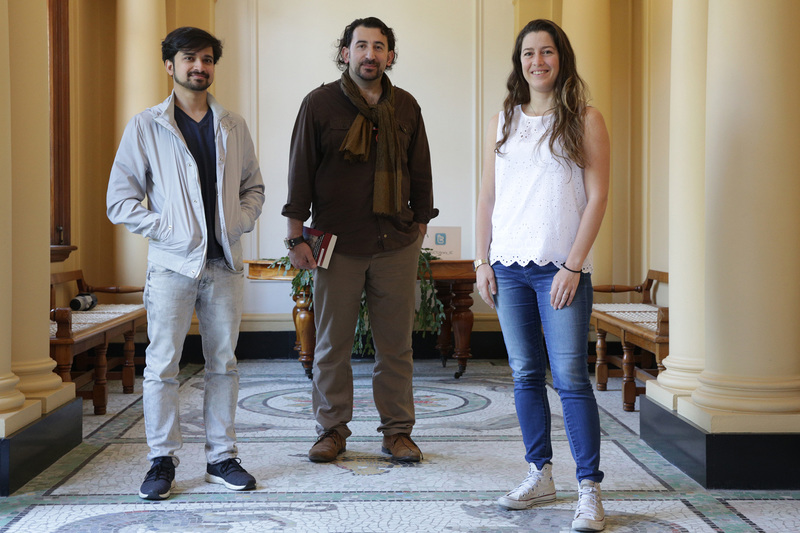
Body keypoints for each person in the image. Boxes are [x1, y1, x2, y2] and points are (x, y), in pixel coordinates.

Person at [107, 27, 264, 501]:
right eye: (190, 57)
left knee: (223, 364)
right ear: (170, 65)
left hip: (224, 266)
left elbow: (253, 188)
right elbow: (121, 200)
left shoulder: (232, 124)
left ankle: (221, 457)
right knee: (162, 366)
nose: (200, 66)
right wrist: (172, 230)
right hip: (173, 267)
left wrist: (237, 223)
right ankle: (162, 460)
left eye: (208, 59)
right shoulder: (146, 125)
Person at [475, 19, 610, 532]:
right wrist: (483, 261)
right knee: (526, 375)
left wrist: (573, 265)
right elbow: (489, 197)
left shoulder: (585, 119)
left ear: (562, 58)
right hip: (508, 270)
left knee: (572, 380)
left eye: (547, 52)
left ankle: (589, 489)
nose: (538, 62)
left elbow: (597, 197)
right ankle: (540, 472)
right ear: (520, 62)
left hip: (560, 269)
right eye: (529, 53)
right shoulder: (503, 121)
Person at [282, 17, 435, 464]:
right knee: (331, 345)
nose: (371, 54)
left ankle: (397, 433)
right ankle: (331, 431)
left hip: (396, 244)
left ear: (390, 55)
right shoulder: (319, 104)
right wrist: (296, 236)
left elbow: (420, 171)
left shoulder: (406, 106)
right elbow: (300, 173)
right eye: (361, 45)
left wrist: (420, 225)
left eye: (379, 46)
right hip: (336, 243)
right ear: (345, 52)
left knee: (396, 346)